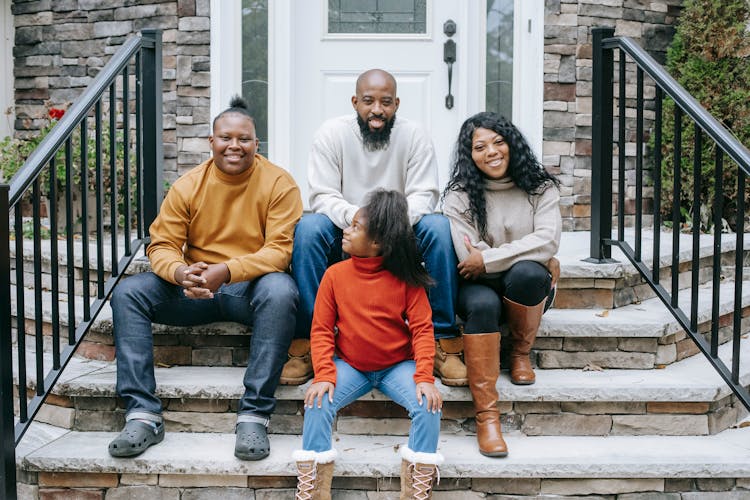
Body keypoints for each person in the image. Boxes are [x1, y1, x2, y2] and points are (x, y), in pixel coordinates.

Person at [107, 96, 303, 461]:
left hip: (249, 288)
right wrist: (182, 272)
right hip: (194, 288)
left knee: (281, 290)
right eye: (225, 138)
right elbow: (162, 244)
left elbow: (280, 251)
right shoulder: (188, 185)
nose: (234, 146)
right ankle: (143, 415)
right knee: (128, 293)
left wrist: (226, 271)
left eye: (243, 139)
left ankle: (254, 415)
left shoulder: (279, 183)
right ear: (211, 142)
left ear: (256, 144)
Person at [284, 68, 466, 388]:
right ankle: (310, 342)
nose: (377, 110)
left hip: (401, 230)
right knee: (309, 228)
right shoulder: (331, 134)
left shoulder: (414, 135)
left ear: (396, 103)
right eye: (368, 101)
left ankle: (442, 341)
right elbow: (323, 195)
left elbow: (425, 195)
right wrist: (361, 221)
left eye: (385, 102)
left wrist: (386, 224)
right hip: (347, 228)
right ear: (355, 102)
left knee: (438, 228)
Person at [292, 190, 443, 499]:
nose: (346, 230)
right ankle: (314, 489)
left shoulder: (406, 280)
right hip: (351, 366)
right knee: (317, 401)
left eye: (355, 227)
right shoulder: (334, 275)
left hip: (396, 367)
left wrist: (425, 378)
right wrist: (323, 374)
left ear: (377, 243)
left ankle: (416, 489)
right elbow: (321, 330)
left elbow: (423, 331)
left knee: (428, 406)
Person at [443, 112, 561, 458]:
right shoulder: (459, 196)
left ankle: (520, 353)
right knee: (482, 306)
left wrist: (490, 259)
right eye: (479, 147)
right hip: (477, 287)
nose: (491, 152)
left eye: (498, 142)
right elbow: (467, 253)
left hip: (523, 285)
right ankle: (487, 418)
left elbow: (547, 242)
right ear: (470, 155)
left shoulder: (541, 188)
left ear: (512, 144)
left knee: (528, 273)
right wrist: (493, 258)